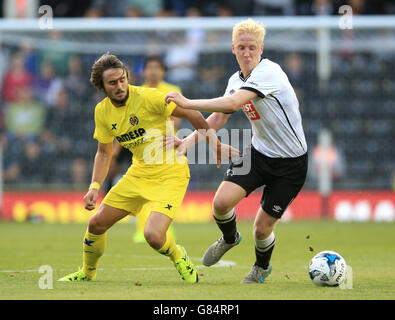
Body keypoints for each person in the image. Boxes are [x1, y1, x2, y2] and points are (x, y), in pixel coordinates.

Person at [58, 52, 237, 284]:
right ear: (101, 86)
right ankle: (87, 272)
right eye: (113, 82)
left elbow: (192, 113)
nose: (120, 85)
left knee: (152, 236)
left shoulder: (149, 97)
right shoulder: (102, 111)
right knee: (96, 223)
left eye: (122, 79)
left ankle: (178, 255)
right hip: (138, 174)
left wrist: (215, 144)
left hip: (171, 174)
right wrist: (94, 186)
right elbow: (104, 152)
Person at [165, 18, 308, 284]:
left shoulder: (270, 72)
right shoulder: (235, 79)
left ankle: (261, 268)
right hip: (259, 153)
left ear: (261, 49)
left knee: (262, 228)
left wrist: (187, 103)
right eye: (241, 47)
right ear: (233, 48)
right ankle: (230, 238)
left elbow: (231, 104)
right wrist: (186, 142)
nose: (247, 53)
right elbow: (218, 119)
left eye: (252, 47)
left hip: (291, 164)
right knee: (220, 204)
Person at [105, 55, 182, 243]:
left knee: (163, 190)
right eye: (150, 67)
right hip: (138, 142)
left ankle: (162, 226)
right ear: (144, 71)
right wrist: (116, 148)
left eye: (157, 68)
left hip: (164, 143)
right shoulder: (136, 92)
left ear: (163, 71)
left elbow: (177, 118)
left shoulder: (172, 90)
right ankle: (140, 227)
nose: (153, 71)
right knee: (140, 186)